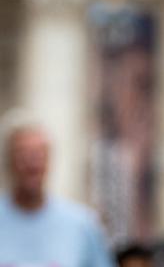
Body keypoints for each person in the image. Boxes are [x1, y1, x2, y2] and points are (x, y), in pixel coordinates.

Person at [0, 111, 115, 267]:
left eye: (38, 154)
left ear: (49, 159)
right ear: (8, 159)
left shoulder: (83, 226)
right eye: (23, 153)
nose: (32, 163)